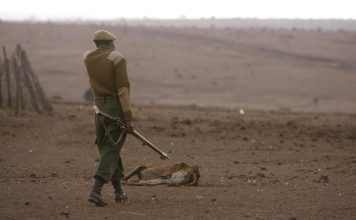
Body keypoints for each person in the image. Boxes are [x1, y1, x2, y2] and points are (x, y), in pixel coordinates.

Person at [83, 30, 134, 206]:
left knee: (109, 149)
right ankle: (96, 190)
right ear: (111, 43)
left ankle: (119, 191)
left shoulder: (88, 57)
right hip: (114, 108)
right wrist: (128, 117)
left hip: (98, 108)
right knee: (112, 148)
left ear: (96, 44)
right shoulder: (117, 58)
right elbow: (123, 90)